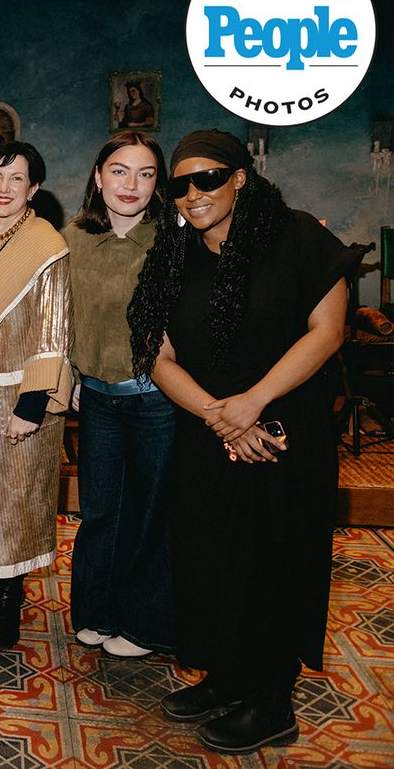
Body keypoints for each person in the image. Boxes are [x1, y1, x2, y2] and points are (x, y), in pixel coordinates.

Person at [127, 129, 356, 755]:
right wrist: (220, 416)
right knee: (209, 559)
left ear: (240, 178)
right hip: (209, 435)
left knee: (273, 561)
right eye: (180, 184)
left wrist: (253, 403)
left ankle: (271, 701)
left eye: (208, 178)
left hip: (284, 435)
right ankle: (228, 675)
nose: (193, 193)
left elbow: (326, 330)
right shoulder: (176, 256)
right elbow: (157, 351)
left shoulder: (296, 236)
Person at [0, 140, 72, 651]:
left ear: (34, 187)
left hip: (16, 395)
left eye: (16, 178)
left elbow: (54, 331)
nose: (4, 188)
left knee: (16, 497)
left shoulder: (46, 246)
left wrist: (32, 406)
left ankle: (8, 604)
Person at [65, 132, 176, 659]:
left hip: (156, 399)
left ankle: (145, 624)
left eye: (145, 173)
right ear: (98, 175)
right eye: (119, 170)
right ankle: (96, 612)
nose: (130, 184)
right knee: (101, 511)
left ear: (158, 184)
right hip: (97, 399)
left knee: (150, 513)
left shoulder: (173, 238)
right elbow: (60, 317)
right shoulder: (74, 238)